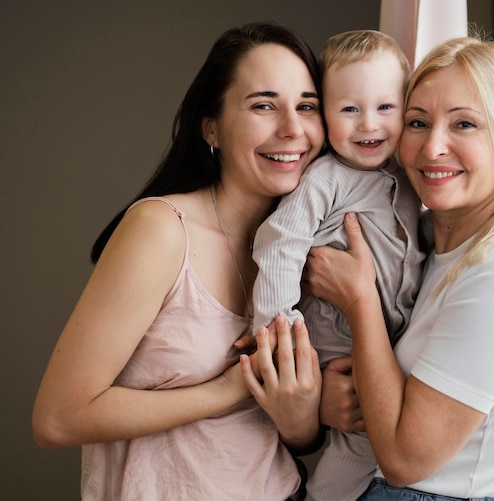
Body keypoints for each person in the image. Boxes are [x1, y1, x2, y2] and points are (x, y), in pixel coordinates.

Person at [32, 21, 325, 501]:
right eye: (264, 105)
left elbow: (294, 436)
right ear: (211, 126)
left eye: (307, 106)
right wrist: (227, 390)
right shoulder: (162, 230)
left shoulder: (308, 249)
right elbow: (57, 418)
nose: (293, 128)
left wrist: (301, 418)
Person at [303, 36, 494, 500]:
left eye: (465, 124)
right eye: (418, 122)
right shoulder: (427, 245)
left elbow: (404, 458)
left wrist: (359, 300)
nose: (433, 147)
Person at [250, 29, 425, 500]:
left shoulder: (407, 178)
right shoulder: (326, 177)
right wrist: (278, 331)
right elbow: (281, 241)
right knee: (358, 449)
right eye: (350, 109)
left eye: (386, 108)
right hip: (332, 349)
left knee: (374, 444)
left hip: (382, 347)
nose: (369, 124)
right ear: (324, 112)